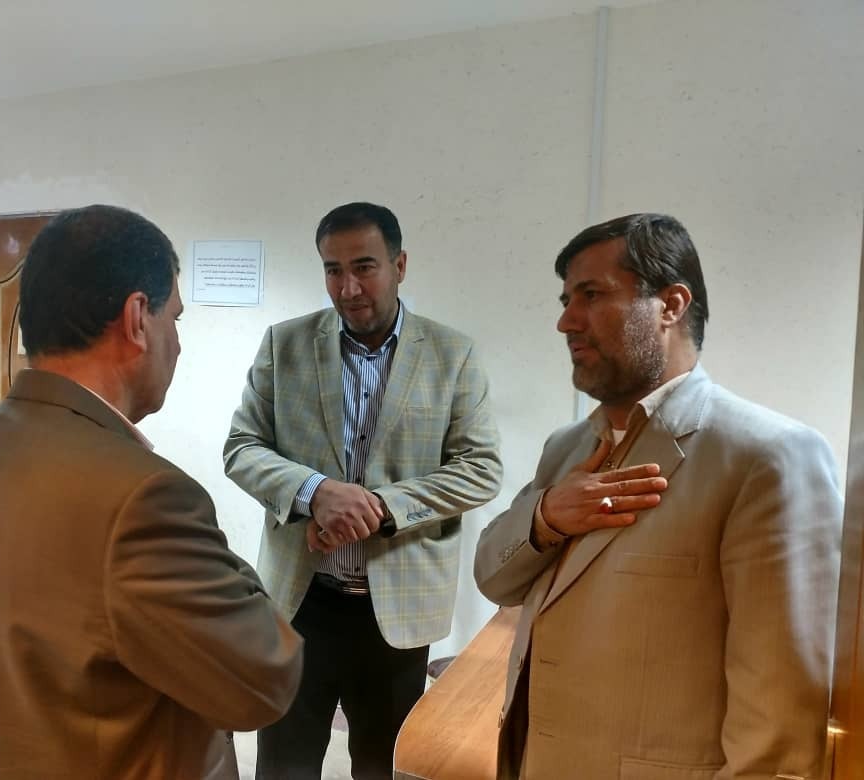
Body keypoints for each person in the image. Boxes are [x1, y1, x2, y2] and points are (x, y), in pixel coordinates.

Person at [0, 204, 303, 780]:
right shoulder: (145, 496)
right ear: (138, 318)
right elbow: (264, 680)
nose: (178, 345)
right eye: (176, 319)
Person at [474, 213, 843, 779]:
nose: (566, 321)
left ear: (670, 305)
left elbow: (779, 730)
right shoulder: (567, 448)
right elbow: (493, 580)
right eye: (567, 299)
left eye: (591, 294)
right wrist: (546, 517)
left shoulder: (767, 457)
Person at [223, 201, 503, 779]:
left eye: (364, 267)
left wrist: (378, 507)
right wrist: (314, 491)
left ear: (399, 265)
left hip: (397, 611)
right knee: (283, 765)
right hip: (300, 604)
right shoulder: (284, 345)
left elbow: (480, 467)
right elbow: (242, 447)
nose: (348, 288)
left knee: (383, 766)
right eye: (333, 269)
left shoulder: (452, 355)